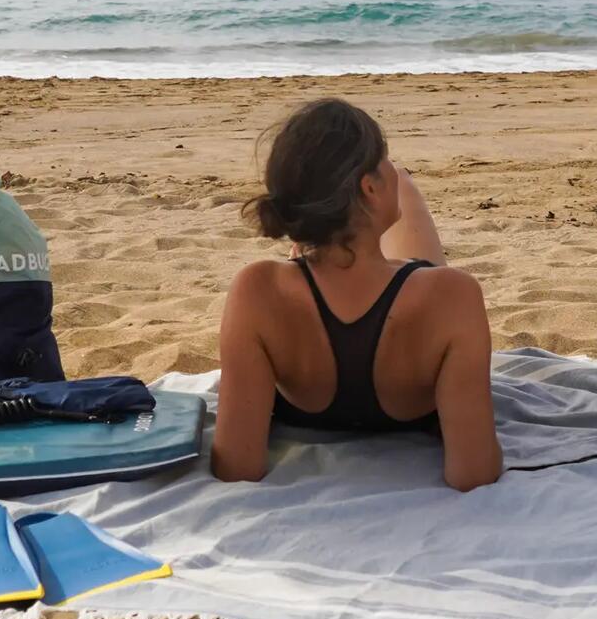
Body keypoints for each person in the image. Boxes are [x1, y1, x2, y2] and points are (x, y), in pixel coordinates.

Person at [211, 98, 503, 491]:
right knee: (409, 205)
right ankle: (348, 248)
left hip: (306, 328)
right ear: (369, 187)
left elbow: (237, 467)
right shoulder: (453, 296)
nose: (391, 171)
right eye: (386, 163)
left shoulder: (257, 290)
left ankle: (320, 252)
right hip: (412, 325)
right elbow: (474, 474)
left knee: (338, 261)